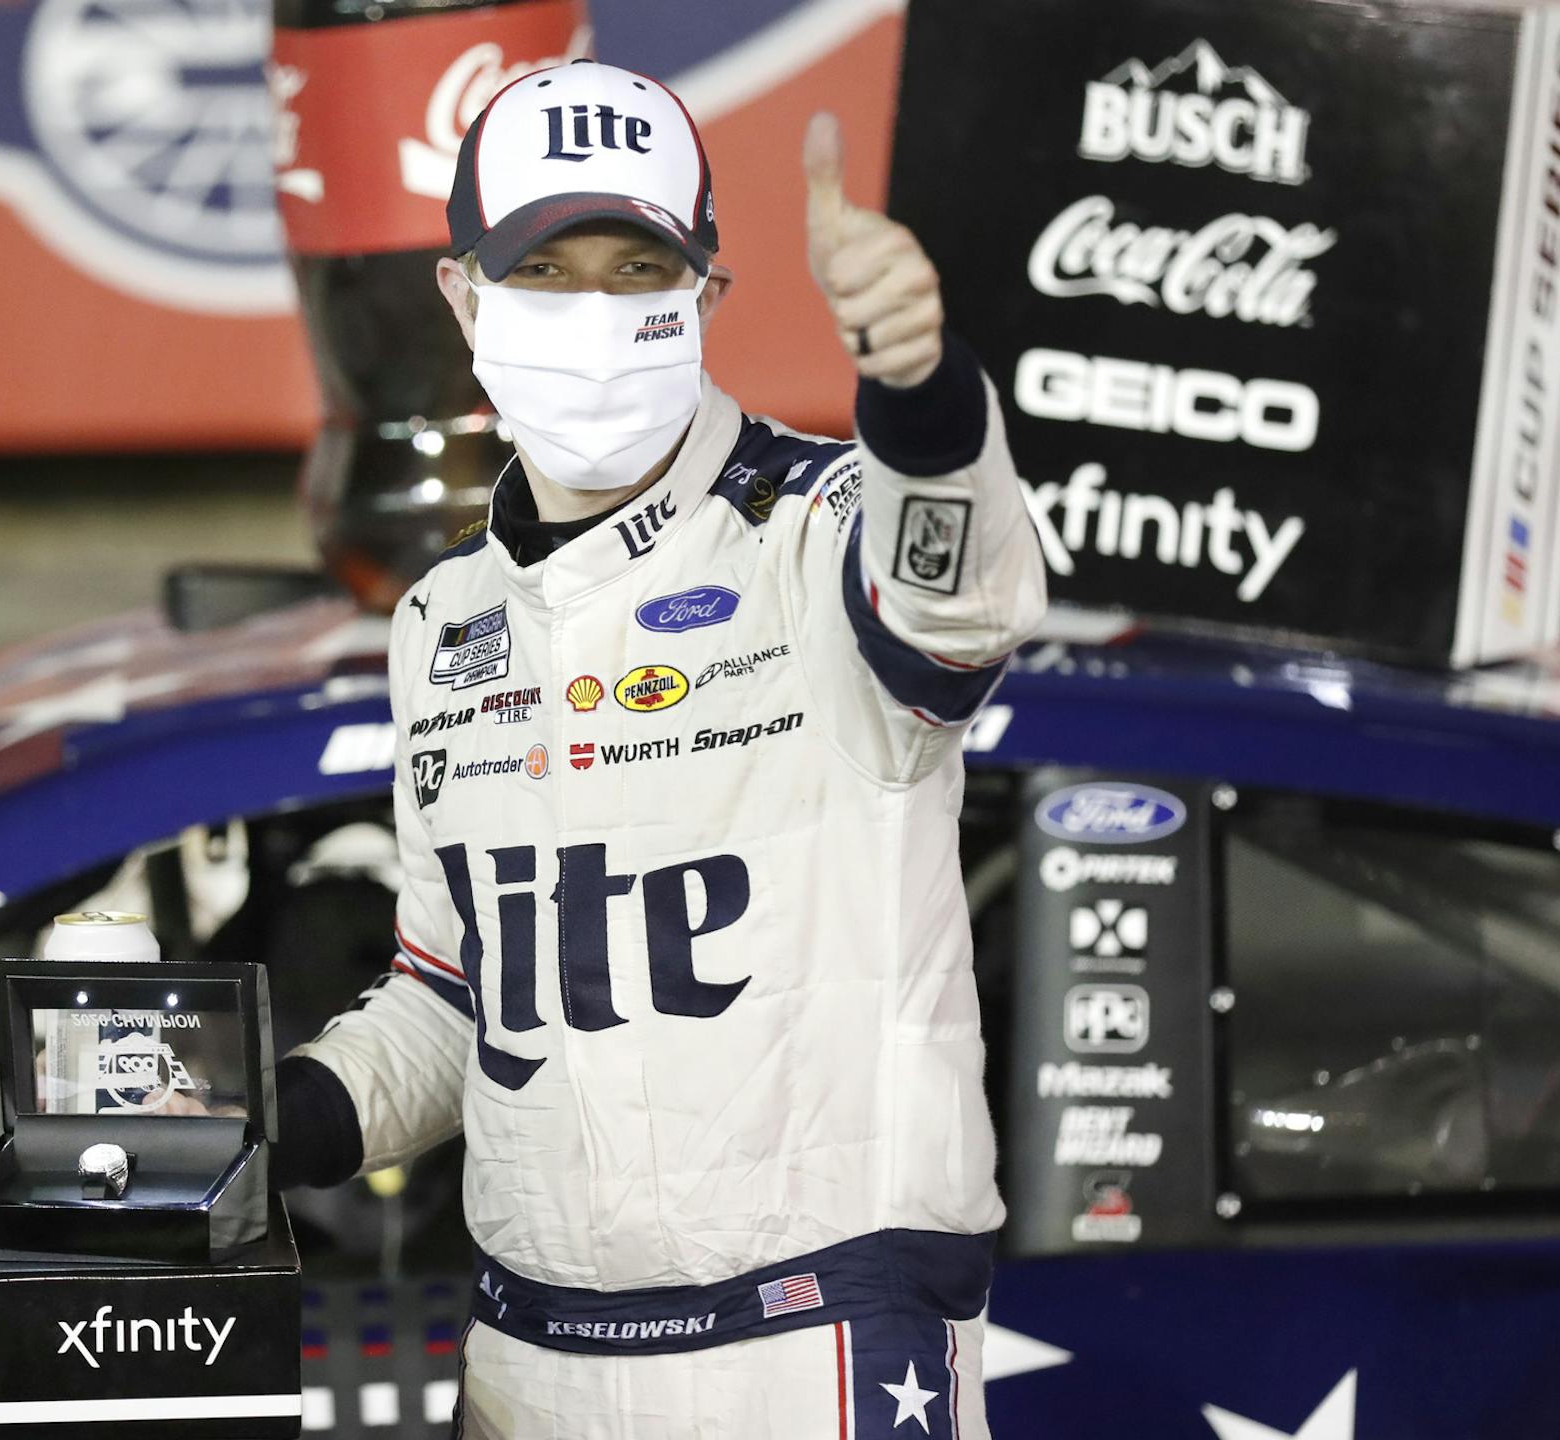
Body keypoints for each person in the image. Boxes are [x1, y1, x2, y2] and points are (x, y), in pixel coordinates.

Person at [273, 59, 1047, 1439]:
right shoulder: (443, 619)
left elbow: (962, 597)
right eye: (546, 268)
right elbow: (458, 995)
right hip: (526, 1355)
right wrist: (278, 1120)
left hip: (809, 1346)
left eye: (639, 267)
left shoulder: (825, 526)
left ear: (707, 296)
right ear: (463, 295)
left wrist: (922, 389)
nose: (593, 309)